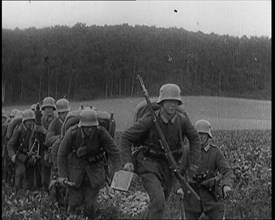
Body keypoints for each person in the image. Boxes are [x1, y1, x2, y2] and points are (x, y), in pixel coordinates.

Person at [120, 83, 201, 219]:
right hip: (149, 163)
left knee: (160, 201)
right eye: (168, 102)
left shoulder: (182, 121)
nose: (172, 106)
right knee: (158, 201)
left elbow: (195, 138)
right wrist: (127, 162)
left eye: (175, 102)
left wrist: (193, 164)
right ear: (162, 103)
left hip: (170, 166)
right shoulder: (150, 120)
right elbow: (126, 137)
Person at [57, 108, 121, 219]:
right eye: (87, 127)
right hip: (76, 169)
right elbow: (62, 153)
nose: (90, 130)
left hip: (95, 170)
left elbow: (114, 152)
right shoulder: (72, 133)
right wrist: (62, 175)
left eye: (92, 127)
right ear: (81, 126)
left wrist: (116, 172)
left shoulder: (101, 133)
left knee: (91, 206)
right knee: (74, 202)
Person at [177, 119, 235, 219]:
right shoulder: (188, 151)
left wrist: (226, 185)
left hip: (211, 196)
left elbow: (227, 171)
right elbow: (178, 173)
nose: (200, 137)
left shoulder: (215, 152)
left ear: (208, 135)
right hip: (192, 195)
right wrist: (179, 188)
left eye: (203, 134)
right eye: (198, 134)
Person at [7, 109, 39, 190]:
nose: (30, 122)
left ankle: (30, 191)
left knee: (31, 175)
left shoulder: (35, 130)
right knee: (20, 173)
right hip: (20, 155)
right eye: (28, 120)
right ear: (24, 121)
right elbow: (10, 144)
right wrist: (13, 156)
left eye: (31, 120)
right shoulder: (19, 130)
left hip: (31, 155)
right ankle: (18, 192)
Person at [38, 96, 57, 191]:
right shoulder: (41, 120)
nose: (48, 110)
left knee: (53, 176)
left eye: (50, 108)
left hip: (53, 150)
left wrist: (44, 131)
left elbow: (57, 136)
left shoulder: (56, 120)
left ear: (53, 109)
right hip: (43, 151)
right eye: (46, 108)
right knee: (44, 178)